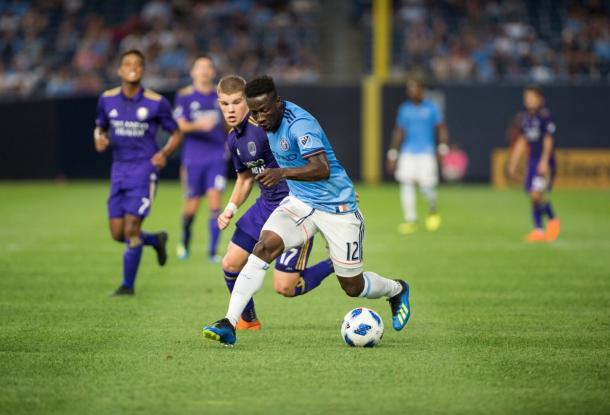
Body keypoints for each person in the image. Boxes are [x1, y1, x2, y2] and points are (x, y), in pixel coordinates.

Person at [202, 75, 411, 346]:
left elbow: (322, 168)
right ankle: (230, 322)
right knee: (264, 247)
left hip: (337, 208)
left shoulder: (300, 124)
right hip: (299, 203)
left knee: (352, 287)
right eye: (254, 112)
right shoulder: (258, 126)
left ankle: (397, 289)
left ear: (278, 102)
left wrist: (282, 173)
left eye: (264, 110)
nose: (260, 118)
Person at [214, 74, 334, 330]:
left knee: (285, 287)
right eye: (225, 104)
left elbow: (310, 160)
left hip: (294, 207)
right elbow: (245, 178)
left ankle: (334, 262)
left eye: (236, 102)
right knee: (230, 263)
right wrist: (230, 208)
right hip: (265, 204)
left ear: (247, 101)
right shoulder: (234, 139)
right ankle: (248, 321)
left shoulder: (267, 128)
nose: (231, 109)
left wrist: (333, 190)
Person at [94, 49, 182, 296]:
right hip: (118, 171)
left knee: (132, 228)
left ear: (143, 70)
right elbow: (99, 128)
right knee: (117, 233)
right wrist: (99, 139)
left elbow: (177, 133)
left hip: (144, 171)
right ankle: (154, 240)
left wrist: (163, 154)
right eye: (127, 64)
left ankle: (127, 286)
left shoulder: (156, 102)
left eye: (138, 64)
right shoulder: (107, 99)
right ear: (120, 70)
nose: (132, 67)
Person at [173, 55, 227, 262]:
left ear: (213, 72)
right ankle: (185, 242)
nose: (204, 70)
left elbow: (228, 123)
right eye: (200, 67)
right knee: (191, 207)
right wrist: (198, 125)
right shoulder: (185, 95)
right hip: (193, 158)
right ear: (193, 72)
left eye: (208, 67)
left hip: (216, 157)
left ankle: (213, 252)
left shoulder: (219, 95)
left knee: (215, 204)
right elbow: (180, 125)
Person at [386, 79, 449, 234]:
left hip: (426, 152)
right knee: (406, 183)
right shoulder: (405, 109)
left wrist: (442, 148)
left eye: (415, 88)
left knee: (426, 186)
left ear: (422, 90)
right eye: (410, 88)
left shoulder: (431, 108)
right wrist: (393, 153)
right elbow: (399, 132)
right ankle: (410, 220)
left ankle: (433, 208)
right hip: (408, 152)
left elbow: (441, 128)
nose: (412, 91)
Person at [508, 85, 560, 242]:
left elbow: (548, 140)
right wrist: (513, 162)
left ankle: (552, 219)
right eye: (527, 98)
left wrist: (544, 161)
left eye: (531, 97)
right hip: (532, 161)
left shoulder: (545, 117)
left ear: (540, 100)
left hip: (543, 160)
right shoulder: (525, 119)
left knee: (536, 194)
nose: (528, 100)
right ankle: (538, 230)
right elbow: (522, 141)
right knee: (532, 196)